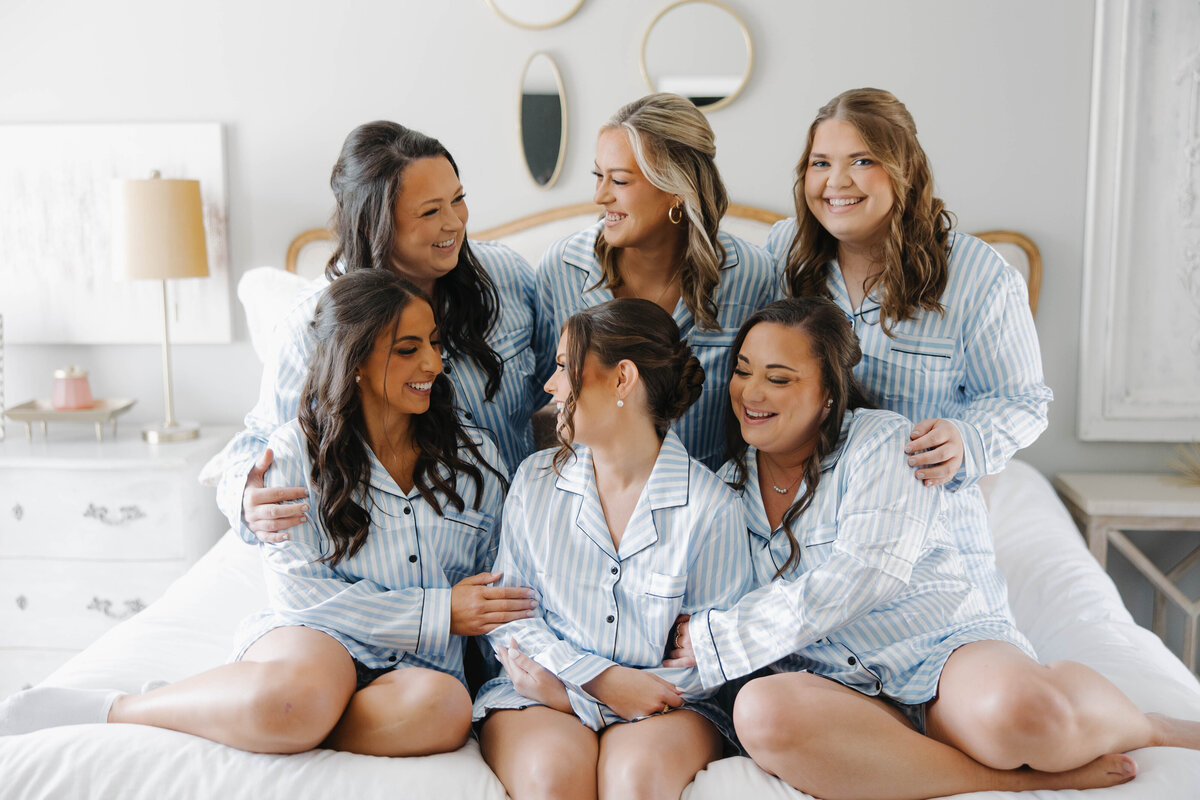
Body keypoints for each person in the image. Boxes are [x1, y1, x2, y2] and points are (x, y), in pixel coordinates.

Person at [666, 298, 1200, 799]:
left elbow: (867, 571)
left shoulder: (882, 443)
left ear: (829, 392)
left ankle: (1148, 725)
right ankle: (1003, 781)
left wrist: (724, 636)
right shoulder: (723, 492)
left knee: (1027, 715)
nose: (751, 393)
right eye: (742, 371)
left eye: (778, 378)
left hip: (939, 652)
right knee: (760, 712)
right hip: (834, 686)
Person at [0, 271, 535, 755]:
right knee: (295, 698)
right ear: (354, 362)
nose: (433, 365)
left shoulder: (475, 457)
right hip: (319, 638)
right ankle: (122, 709)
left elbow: (493, 587)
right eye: (408, 349)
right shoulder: (294, 455)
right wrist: (438, 613)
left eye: (435, 344)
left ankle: (276, 719)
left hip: (422, 665)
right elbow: (302, 595)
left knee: (444, 709)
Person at [766, 88, 1054, 626]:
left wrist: (966, 440)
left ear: (905, 169)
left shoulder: (978, 275)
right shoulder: (781, 256)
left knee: (977, 700)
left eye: (862, 161)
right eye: (820, 163)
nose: (836, 182)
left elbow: (1022, 400)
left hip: (927, 536)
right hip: (802, 536)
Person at [475, 299, 753, 800]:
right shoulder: (535, 480)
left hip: (672, 706)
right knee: (551, 779)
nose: (550, 385)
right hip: (537, 693)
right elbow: (510, 618)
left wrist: (572, 697)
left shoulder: (711, 509)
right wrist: (598, 683)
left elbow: (708, 660)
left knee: (636, 782)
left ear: (622, 378)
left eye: (563, 367)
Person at [220, 120, 540, 543]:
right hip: (387, 561)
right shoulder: (311, 326)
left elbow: (566, 389)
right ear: (373, 225)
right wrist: (245, 495)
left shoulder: (508, 278)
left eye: (458, 200)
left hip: (519, 541)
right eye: (429, 211)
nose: (454, 224)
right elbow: (264, 439)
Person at [535, 93, 776, 472]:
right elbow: (536, 394)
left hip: (707, 506)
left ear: (677, 189)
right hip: (589, 509)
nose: (600, 195)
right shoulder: (561, 269)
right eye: (599, 175)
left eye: (619, 180)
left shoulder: (751, 275)